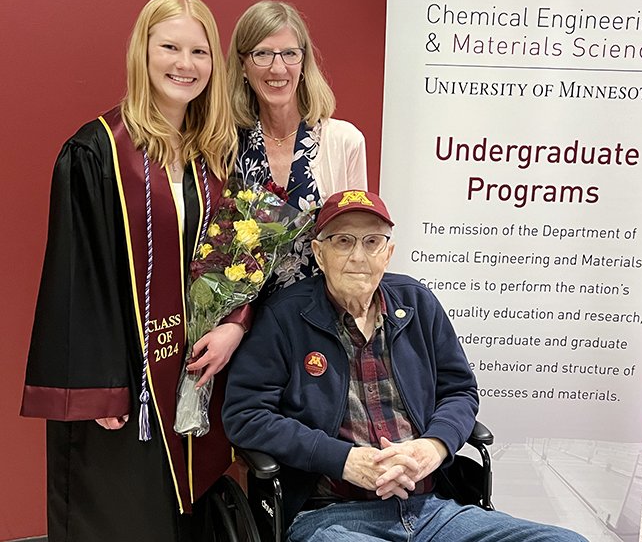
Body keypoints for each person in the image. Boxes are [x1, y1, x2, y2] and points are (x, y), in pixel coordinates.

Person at [222, 190, 588, 542]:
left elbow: (459, 391)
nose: (358, 256)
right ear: (319, 253)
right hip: (333, 515)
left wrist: (434, 446)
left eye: (371, 242)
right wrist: (344, 460)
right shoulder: (284, 317)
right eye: (343, 241)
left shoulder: (418, 303)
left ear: (388, 252)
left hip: (432, 508)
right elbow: (246, 414)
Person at [20, 0, 250, 542]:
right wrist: (101, 388)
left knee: (187, 518)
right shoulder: (95, 152)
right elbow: (77, 280)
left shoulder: (216, 156)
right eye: (169, 47)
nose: (184, 64)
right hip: (124, 387)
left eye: (199, 52)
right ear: (141, 53)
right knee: (121, 519)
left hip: (196, 378)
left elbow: (238, 257)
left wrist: (233, 326)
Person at [228, 0, 368, 292]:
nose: (278, 68)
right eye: (262, 54)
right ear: (243, 65)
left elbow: (358, 248)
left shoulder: (344, 142)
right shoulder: (223, 144)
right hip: (241, 328)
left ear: (304, 63)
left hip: (318, 325)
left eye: (290, 54)